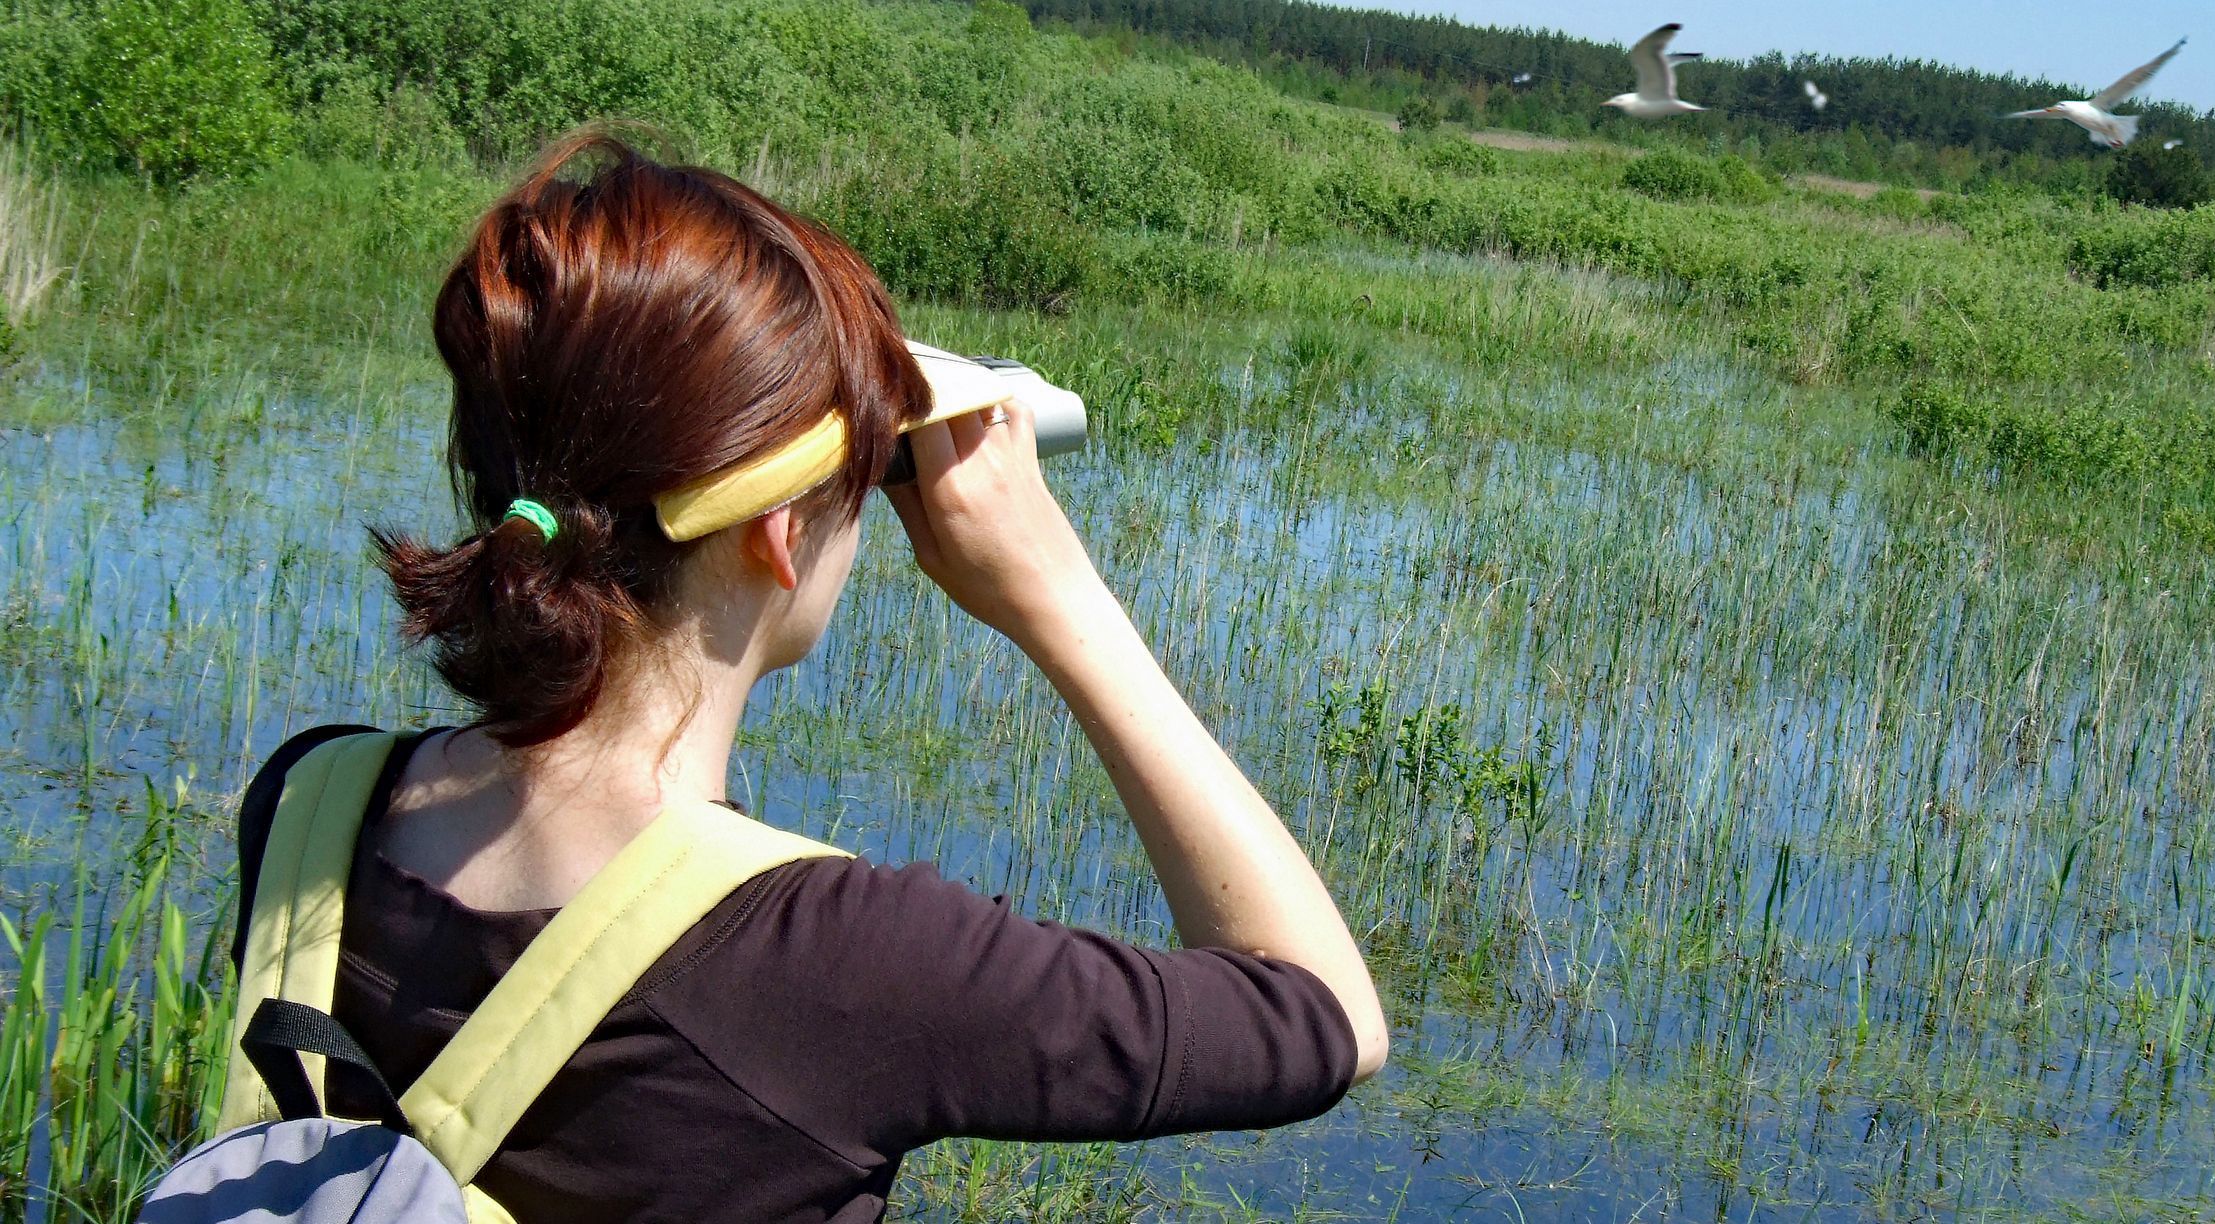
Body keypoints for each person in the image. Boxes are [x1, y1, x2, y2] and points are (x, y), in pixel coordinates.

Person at [232, 129, 1386, 1222]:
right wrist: (1059, 595)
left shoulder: (309, 809)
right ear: (780, 532)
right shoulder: (841, 962)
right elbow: (1325, 1014)